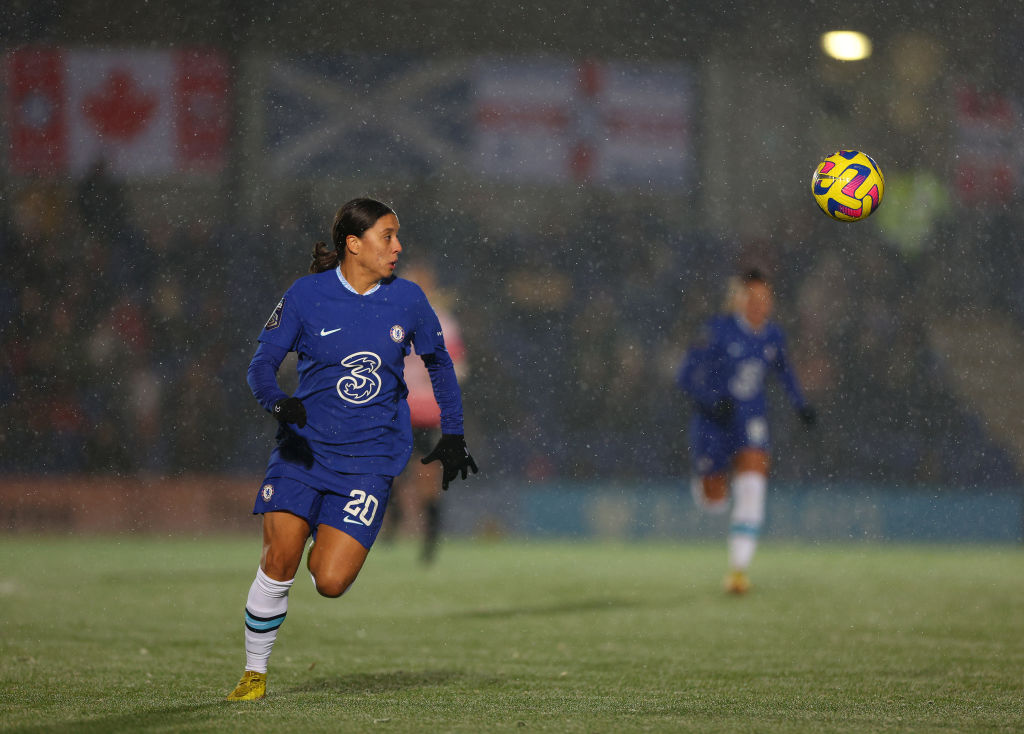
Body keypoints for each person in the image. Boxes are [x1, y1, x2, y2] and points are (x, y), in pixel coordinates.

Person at [226, 197, 478, 701]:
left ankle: (328, 529)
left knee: (330, 581)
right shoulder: (305, 295)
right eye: (388, 236)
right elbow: (260, 366)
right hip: (302, 453)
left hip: (369, 464)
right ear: (353, 244)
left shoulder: (408, 300)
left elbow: (441, 367)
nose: (398, 246)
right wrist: (278, 404)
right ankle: (254, 673)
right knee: (280, 558)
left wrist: (453, 433)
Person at [677, 268, 815, 594]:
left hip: (750, 419)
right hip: (712, 423)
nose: (759, 305)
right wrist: (711, 401)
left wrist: (801, 405)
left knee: (752, 488)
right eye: (752, 298)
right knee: (713, 499)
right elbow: (684, 377)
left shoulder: (772, 336)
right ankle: (707, 485)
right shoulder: (715, 331)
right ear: (737, 300)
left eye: (765, 299)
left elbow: (785, 373)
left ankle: (738, 571)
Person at [386, 261, 467, 564]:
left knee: (427, 478)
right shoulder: (393, 320)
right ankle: (393, 519)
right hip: (396, 407)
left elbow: (459, 368)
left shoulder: (443, 323)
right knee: (388, 471)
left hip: (427, 411)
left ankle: (430, 541)